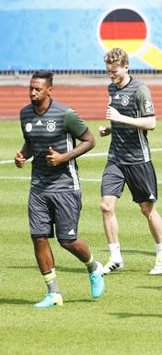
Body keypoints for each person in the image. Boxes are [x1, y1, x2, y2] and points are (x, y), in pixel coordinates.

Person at [16, 70, 105, 307]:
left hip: (65, 185)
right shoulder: (25, 114)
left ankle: (93, 266)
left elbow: (89, 140)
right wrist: (22, 156)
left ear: (49, 90)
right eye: (30, 88)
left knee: (68, 240)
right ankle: (53, 293)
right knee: (39, 237)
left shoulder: (66, 115)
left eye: (37, 89)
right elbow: (31, 142)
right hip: (38, 186)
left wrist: (64, 157)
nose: (33, 93)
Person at [99, 48, 162, 275]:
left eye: (115, 71)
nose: (112, 75)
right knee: (106, 206)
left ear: (126, 67)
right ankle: (116, 256)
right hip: (115, 158)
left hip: (138, 159)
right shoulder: (111, 88)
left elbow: (151, 123)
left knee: (147, 208)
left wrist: (120, 118)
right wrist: (110, 128)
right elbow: (121, 121)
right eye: (109, 71)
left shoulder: (140, 90)